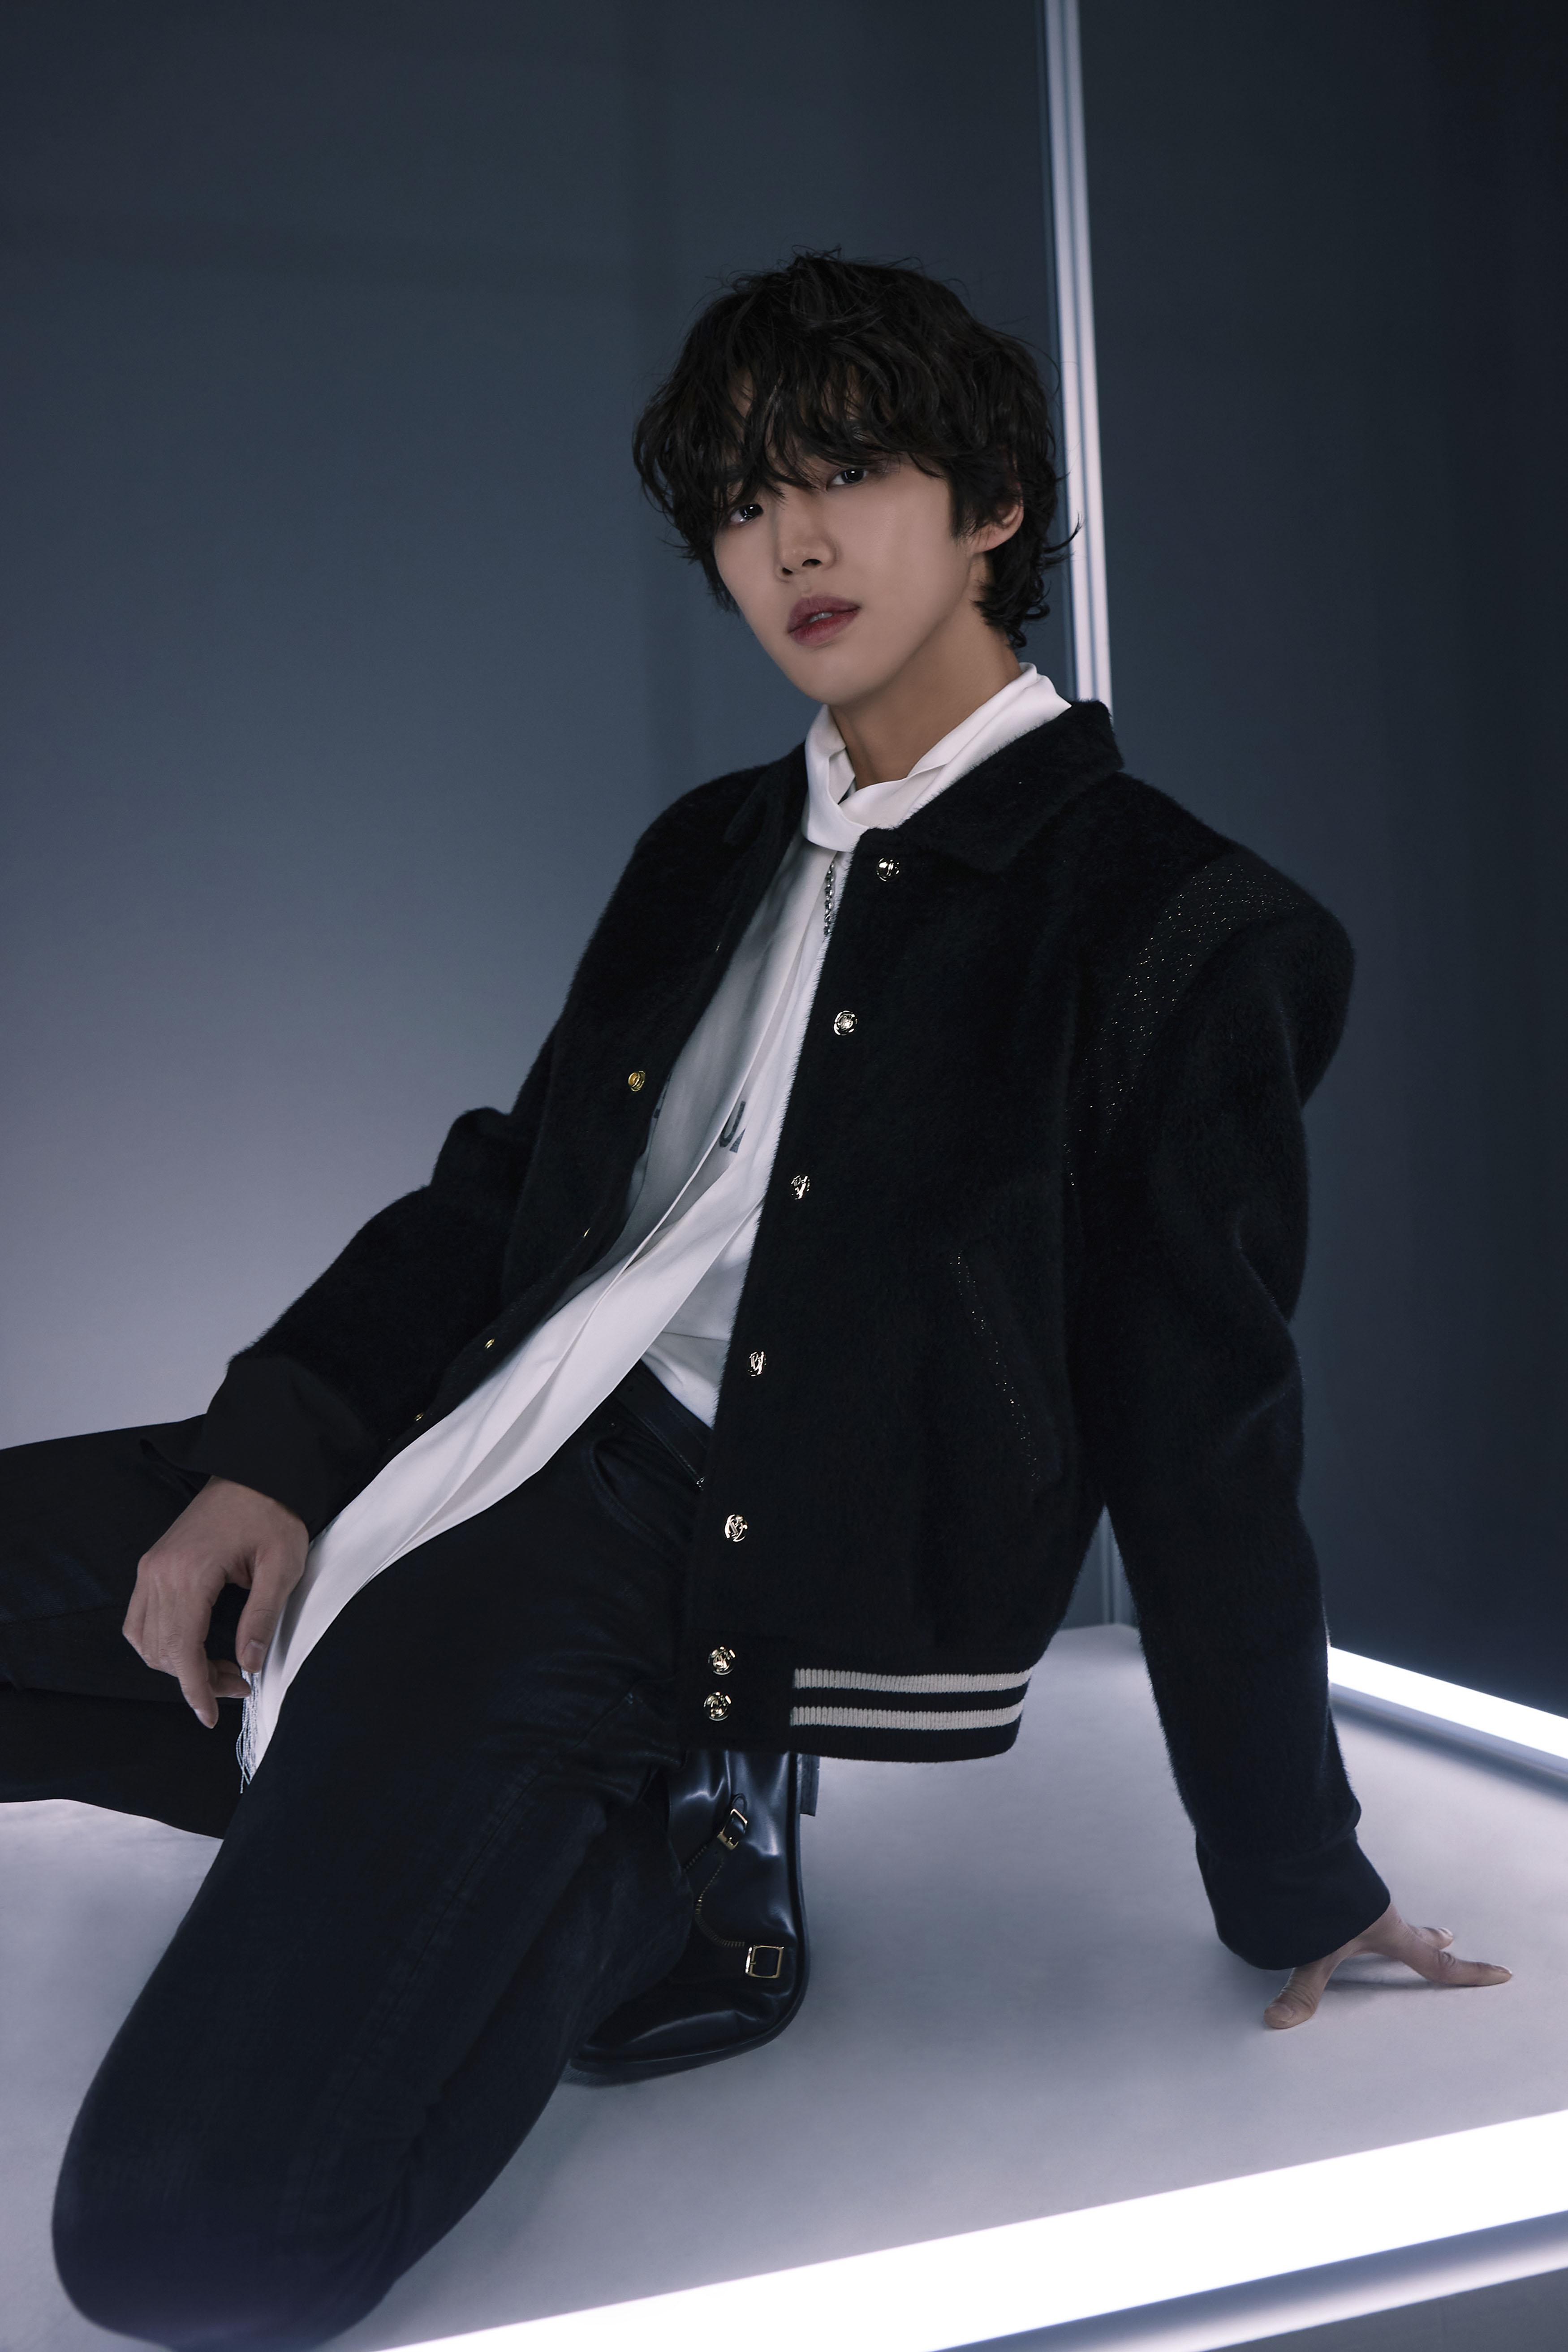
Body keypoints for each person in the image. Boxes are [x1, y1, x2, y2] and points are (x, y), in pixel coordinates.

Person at [2, 252, 1508, 2352]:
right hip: (462, 1428)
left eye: (848, 469)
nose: (789, 539)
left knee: (184, 2246)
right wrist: (268, 1456)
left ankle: (650, 1849)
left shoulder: (1177, 928)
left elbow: (1202, 1438)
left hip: (659, 1564)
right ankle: (412, 1783)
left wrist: (1294, 1872)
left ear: (991, 503)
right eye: (738, 498)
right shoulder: (705, 845)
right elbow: (507, 1193)